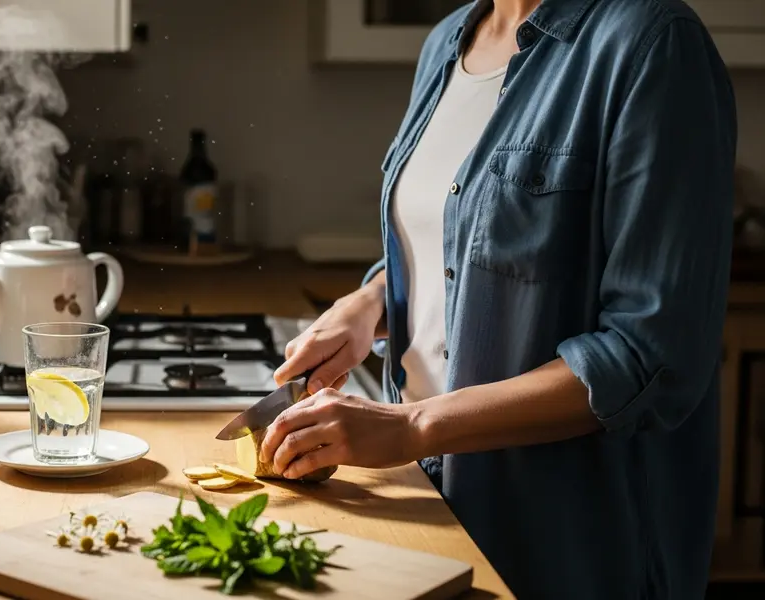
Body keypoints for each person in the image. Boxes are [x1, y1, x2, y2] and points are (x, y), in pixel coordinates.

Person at [260, 0, 737, 598]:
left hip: (566, 546)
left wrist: (414, 426)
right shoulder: (447, 41)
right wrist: (373, 301)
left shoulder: (653, 44)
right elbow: (460, 240)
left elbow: (647, 357)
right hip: (431, 508)